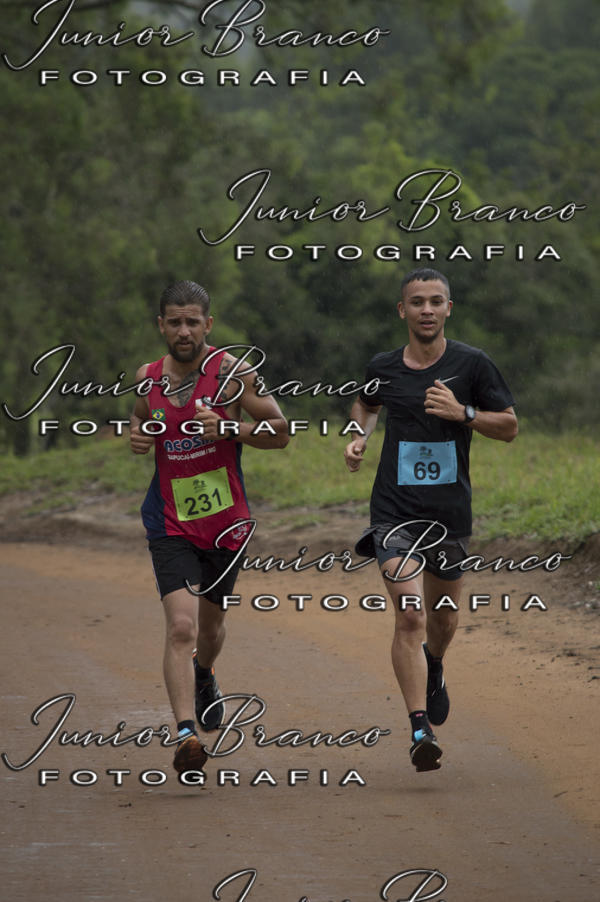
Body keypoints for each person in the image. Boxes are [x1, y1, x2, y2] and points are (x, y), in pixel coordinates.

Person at [344, 268, 517, 773]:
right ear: (402, 311)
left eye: (435, 301)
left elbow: (508, 426)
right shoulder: (383, 366)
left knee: (441, 618)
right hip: (394, 511)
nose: (425, 309)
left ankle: (434, 665)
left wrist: (463, 413)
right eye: (416, 301)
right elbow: (365, 403)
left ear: (448, 309)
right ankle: (420, 727)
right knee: (411, 616)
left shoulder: (472, 364)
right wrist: (358, 436)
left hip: (448, 515)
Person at [130, 280, 288, 774]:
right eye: (174, 321)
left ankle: (205, 673)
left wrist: (231, 428)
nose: (183, 330)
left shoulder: (235, 374)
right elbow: (142, 418)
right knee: (182, 625)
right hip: (169, 521)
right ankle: (185, 735)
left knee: (212, 626)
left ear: (208, 324)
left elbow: (281, 432)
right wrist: (138, 436)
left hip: (225, 524)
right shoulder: (147, 378)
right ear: (161, 325)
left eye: (192, 321)